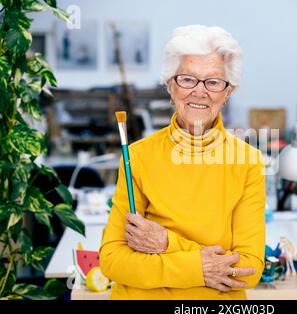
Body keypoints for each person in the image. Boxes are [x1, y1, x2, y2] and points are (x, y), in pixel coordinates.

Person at [100, 25, 266, 299]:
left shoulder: (248, 162)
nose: (199, 92)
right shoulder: (137, 157)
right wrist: (199, 266)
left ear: (228, 92)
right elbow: (113, 260)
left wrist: (167, 244)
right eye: (187, 79)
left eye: (213, 82)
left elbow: (247, 268)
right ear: (169, 85)